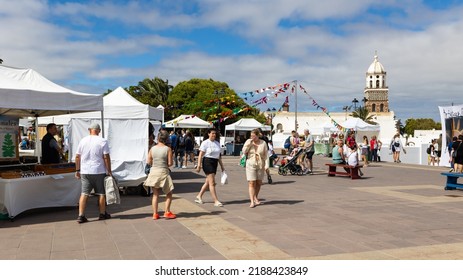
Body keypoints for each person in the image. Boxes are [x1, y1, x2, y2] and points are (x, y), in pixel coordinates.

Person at [74, 123, 112, 224]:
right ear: (98, 130)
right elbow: (106, 157)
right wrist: (109, 171)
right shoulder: (102, 141)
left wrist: (77, 170)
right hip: (99, 170)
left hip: (85, 171)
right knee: (101, 193)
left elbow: (77, 156)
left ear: (89, 130)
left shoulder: (83, 140)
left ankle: (81, 215)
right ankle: (102, 213)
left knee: (84, 193)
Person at [144, 130, 176, 220]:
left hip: (154, 172)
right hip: (163, 172)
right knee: (169, 193)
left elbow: (148, 162)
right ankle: (167, 212)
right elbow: (170, 163)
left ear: (158, 138)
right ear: (166, 139)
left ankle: (155, 214)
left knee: (155, 194)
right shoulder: (168, 149)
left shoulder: (152, 149)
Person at [195, 128, 225, 207]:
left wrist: (222, 166)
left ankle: (199, 196)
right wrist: (199, 165)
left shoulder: (217, 143)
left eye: (215, 133)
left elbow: (218, 156)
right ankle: (216, 200)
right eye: (212, 133)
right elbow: (200, 155)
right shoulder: (205, 143)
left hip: (215, 162)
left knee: (208, 182)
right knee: (212, 183)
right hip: (207, 162)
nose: (214, 135)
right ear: (208, 134)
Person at [242, 128, 269, 208]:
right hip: (250, 163)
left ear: (258, 136)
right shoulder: (248, 141)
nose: (252, 137)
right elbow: (244, 151)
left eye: (254, 136)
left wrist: (267, 165)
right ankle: (252, 201)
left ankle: (255, 197)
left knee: (259, 182)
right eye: (251, 136)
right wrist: (249, 144)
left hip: (260, 164)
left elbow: (266, 155)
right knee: (251, 182)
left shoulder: (263, 143)